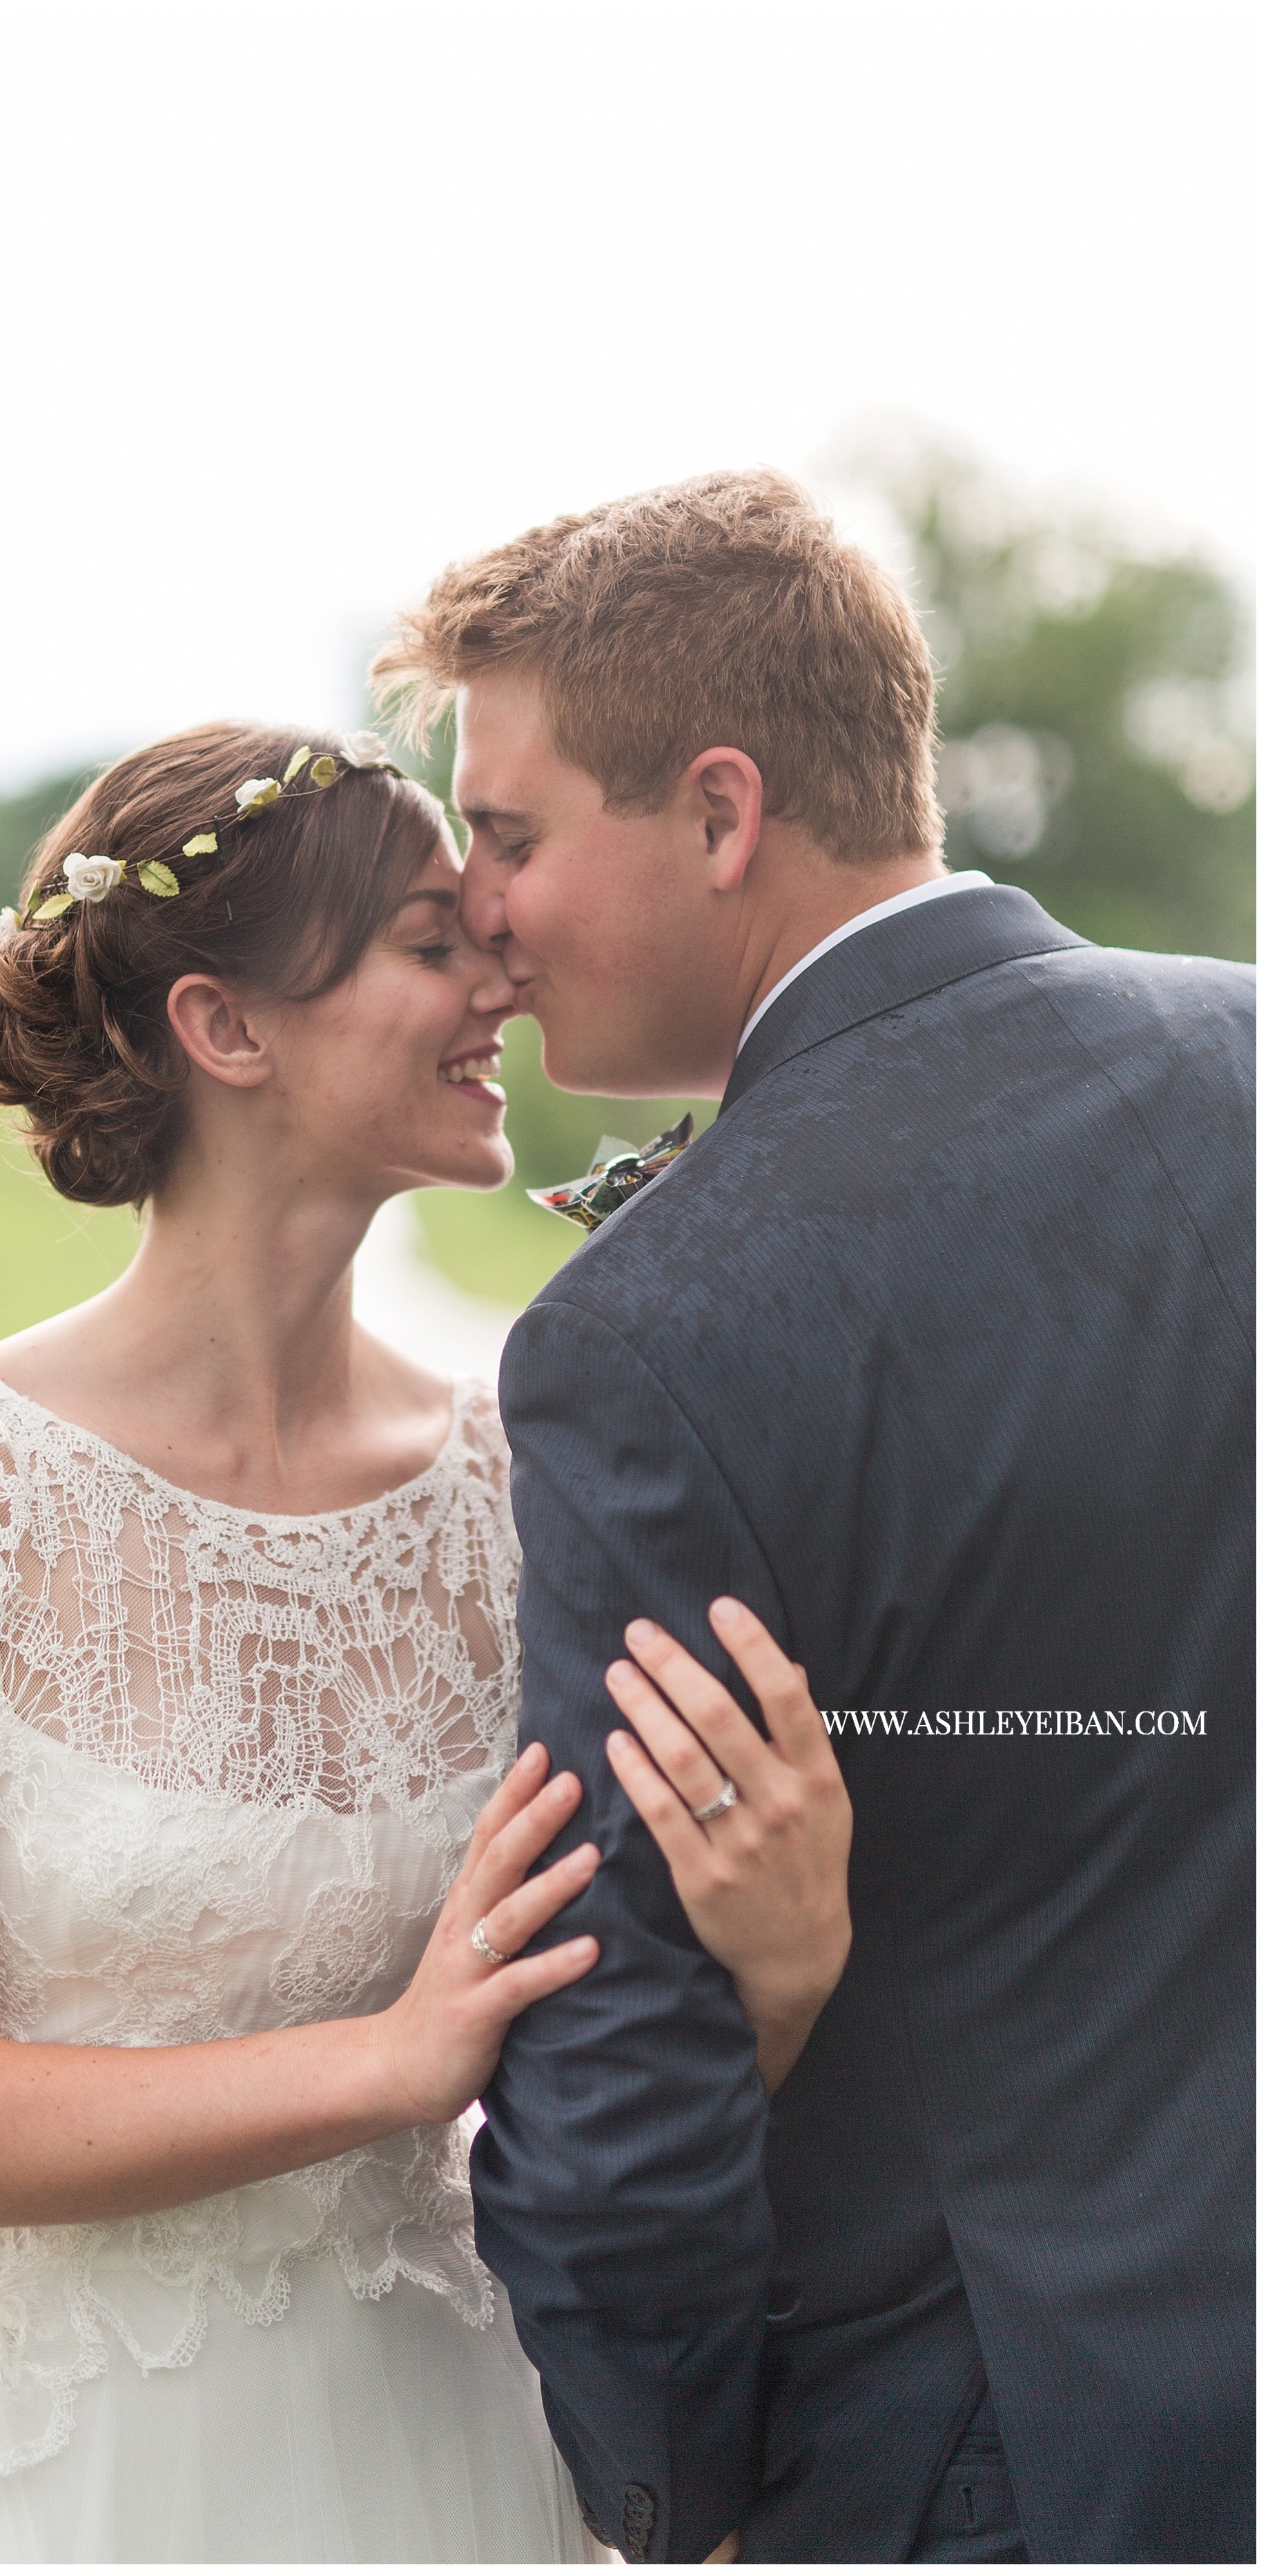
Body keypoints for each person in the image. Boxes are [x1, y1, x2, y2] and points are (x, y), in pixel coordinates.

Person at [0, 722, 852, 2565]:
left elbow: (614, 2016)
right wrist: (385, 2068)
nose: (502, 974)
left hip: (450, 2456)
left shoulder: (522, 1474)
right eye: (429, 941)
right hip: (42, 2486)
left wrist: (779, 1978)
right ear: (224, 1028)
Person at [373, 471, 1254, 2564]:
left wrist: (664, 2481)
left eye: (507, 835)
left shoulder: (650, 1332)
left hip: (987, 2439)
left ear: (717, 811)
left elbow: (623, 2020)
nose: (480, 905)